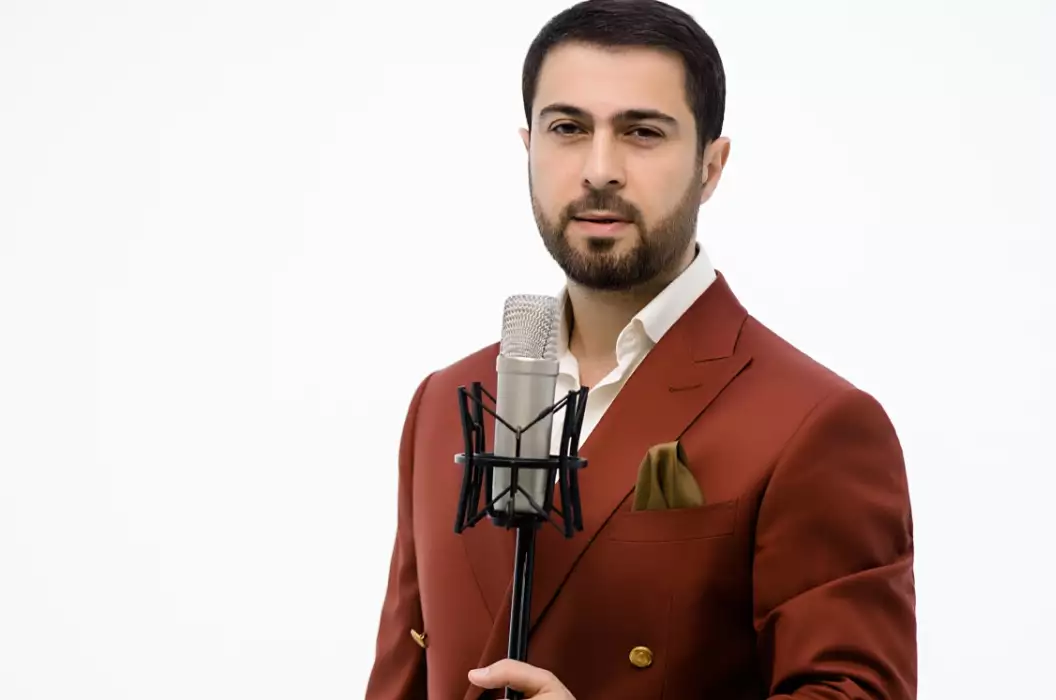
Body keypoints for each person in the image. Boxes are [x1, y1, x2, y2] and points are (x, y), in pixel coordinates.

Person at [364, 1, 917, 698]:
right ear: (528, 147)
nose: (600, 169)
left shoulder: (815, 423)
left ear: (711, 166)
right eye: (568, 128)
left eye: (642, 133)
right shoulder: (447, 402)